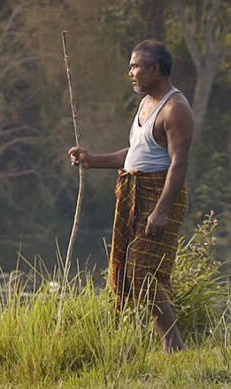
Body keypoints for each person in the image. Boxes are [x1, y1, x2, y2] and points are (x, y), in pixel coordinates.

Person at [68, 40, 194, 352]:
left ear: (155, 69)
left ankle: (173, 345)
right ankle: (159, 344)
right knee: (129, 271)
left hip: (159, 196)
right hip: (133, 194)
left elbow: (178, 164)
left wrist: (161, 210)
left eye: (136, 67)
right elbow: (136, 154)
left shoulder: (175, 108)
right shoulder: (145, 103)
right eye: (130, 67)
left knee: (142, 272)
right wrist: (92, 159)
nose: (131, 73)